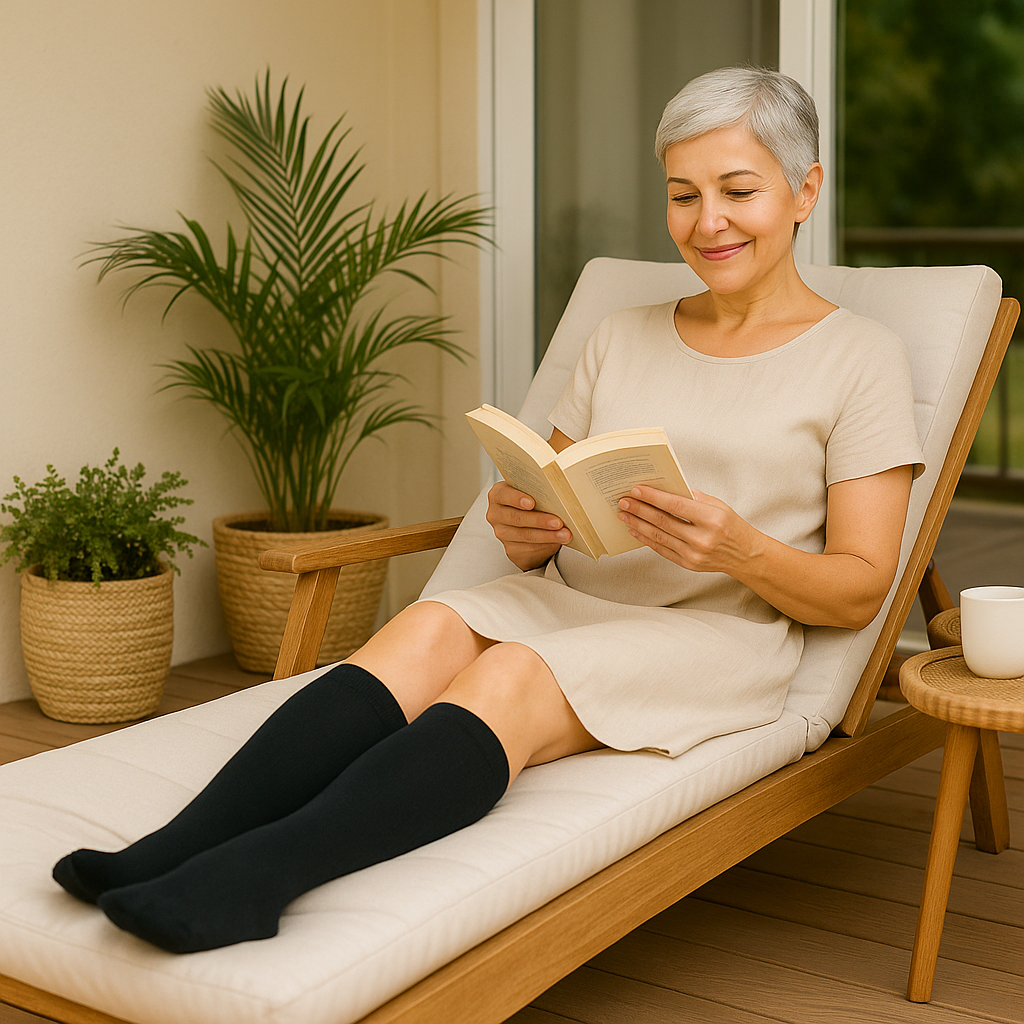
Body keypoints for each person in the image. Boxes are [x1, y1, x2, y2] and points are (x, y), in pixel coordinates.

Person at [53, 66, 924, 954]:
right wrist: (525, 527)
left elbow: (861, 589)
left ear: (804, 190)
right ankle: (177, 847)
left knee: (509, 674)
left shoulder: (861, 358)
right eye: (683, 195)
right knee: (428, 625)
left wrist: (740, 550)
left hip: (717, 636)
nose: (708, 223)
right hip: (572, 598)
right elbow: (558, 490)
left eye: (739, 192)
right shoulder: (621, 335)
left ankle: (253, 881)